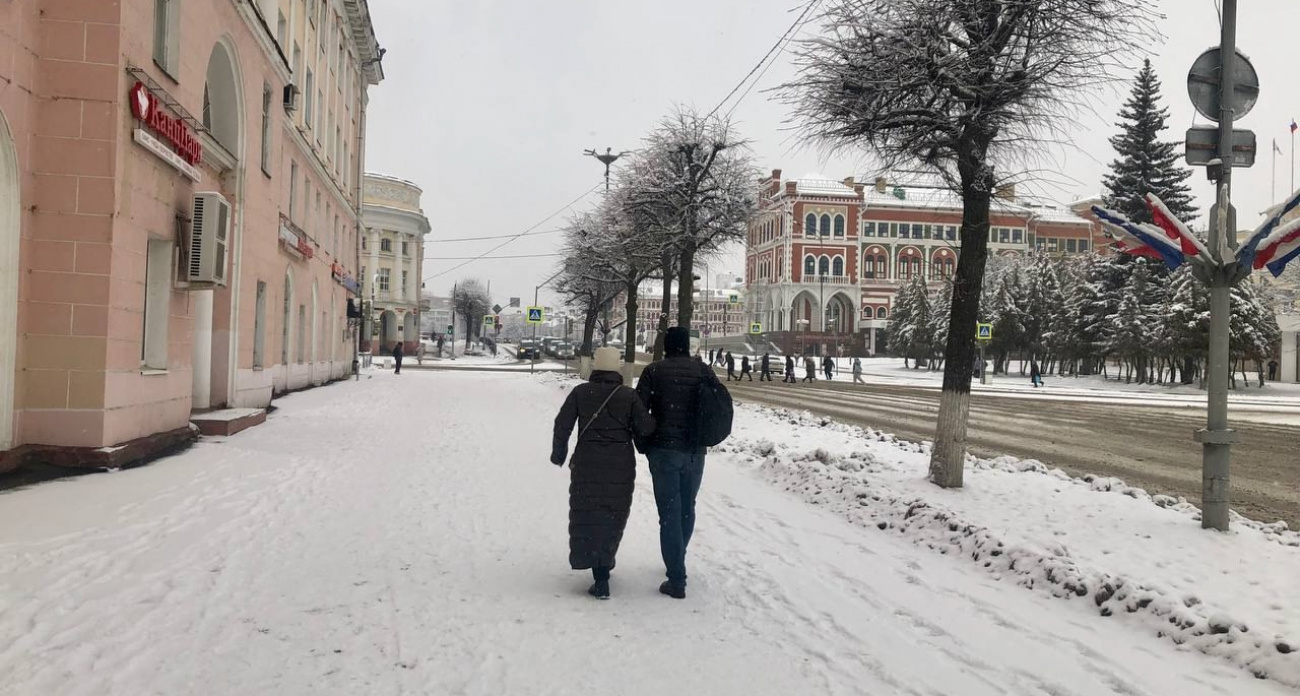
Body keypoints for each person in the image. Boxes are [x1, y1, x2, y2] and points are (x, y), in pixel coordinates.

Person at [551, 347, 656, 600]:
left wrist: (559, 453)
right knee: (612, 514)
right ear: (618, 368)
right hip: (620, 465)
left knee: (587, 513)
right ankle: (604, 566)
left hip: (587, 463)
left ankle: (598, 571)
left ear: (595, 367)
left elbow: (562, 423)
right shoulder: (628, 396)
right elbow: (646, 427)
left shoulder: (581, 392)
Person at [635, 327, 726, 599]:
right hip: (695, 451)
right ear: (688, 346)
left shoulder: (654, 371)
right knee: (687, 508)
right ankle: (677, 557)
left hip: (664, 451)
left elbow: (639, 412)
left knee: (670, 513)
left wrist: (646, 444)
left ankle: (676, 578)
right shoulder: (704, 371)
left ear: (665, 346)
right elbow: (717, 403)